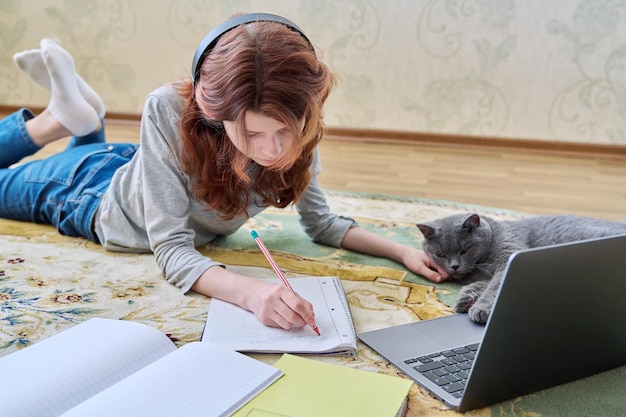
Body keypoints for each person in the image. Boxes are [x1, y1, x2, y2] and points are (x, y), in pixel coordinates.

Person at [1, 14, 448, 331]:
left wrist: (402, 252)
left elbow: (323, 224)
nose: (273, 151)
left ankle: (78, 120)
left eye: (284, 131)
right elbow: (172, 251)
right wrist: (253, 295)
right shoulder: (167, 107)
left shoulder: (298, 125)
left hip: (141, 169)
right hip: (86, 194)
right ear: (217, 115)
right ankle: (52, 123)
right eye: (252, 133)